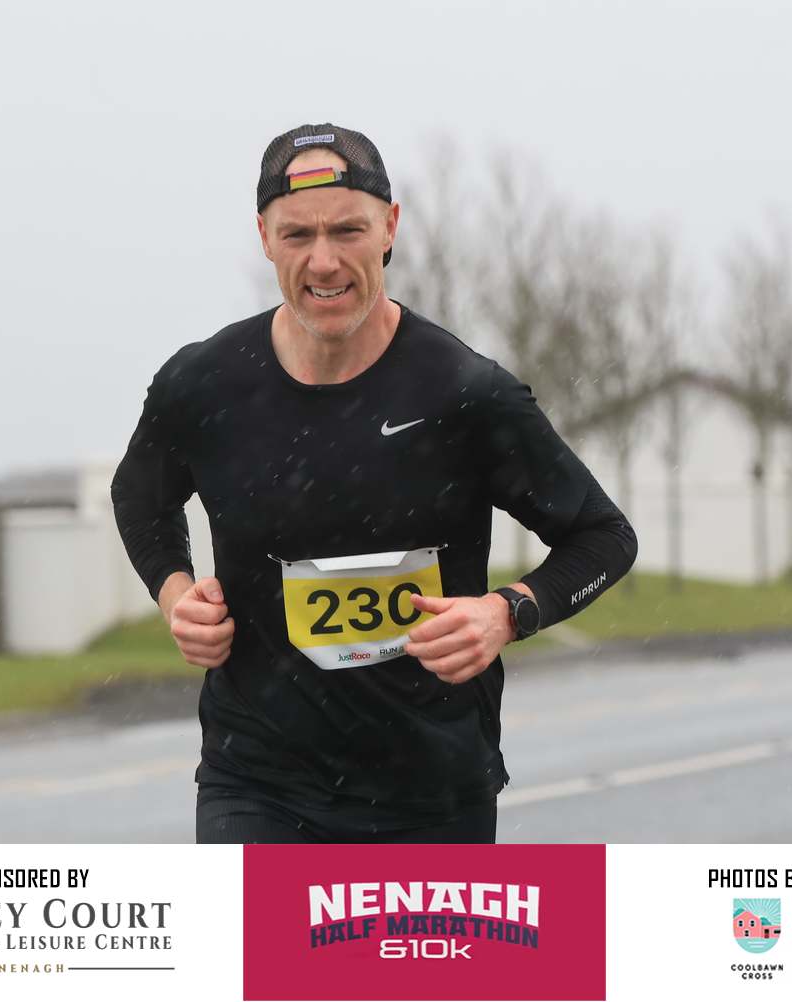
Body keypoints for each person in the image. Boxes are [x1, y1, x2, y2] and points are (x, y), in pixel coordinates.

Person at [111, 122, 637, 844]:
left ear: (390, 226)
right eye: (297, 235)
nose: (323, 261)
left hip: (431, 788)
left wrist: (507, 612)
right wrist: (177, 596)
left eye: (347, 230)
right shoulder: (203, 385)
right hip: (257, 783)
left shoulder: (465, 393)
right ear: (264, 238)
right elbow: (139, 499)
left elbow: (604, 537)